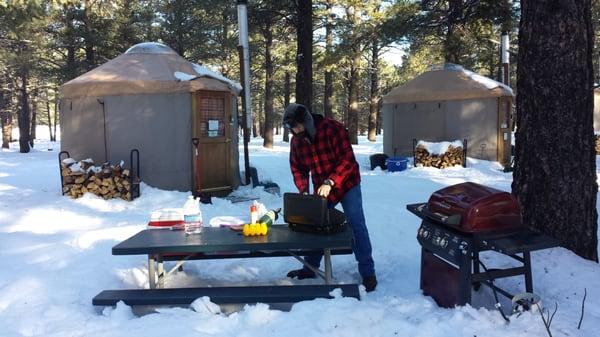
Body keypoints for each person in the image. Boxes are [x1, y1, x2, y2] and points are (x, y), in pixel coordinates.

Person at [282, 103, 377, 292]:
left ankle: (368, 272)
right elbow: (297, 168)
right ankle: (310, 267)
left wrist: (331, 181)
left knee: (355, 223)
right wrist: (304, 190)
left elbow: (347, 160)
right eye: (292, 128)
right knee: (316, 223)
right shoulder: (297, 141)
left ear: (307, 122)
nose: (295, 131)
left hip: (347, 182)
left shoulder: (333, 129)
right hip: (321, 187)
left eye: (298, 126)